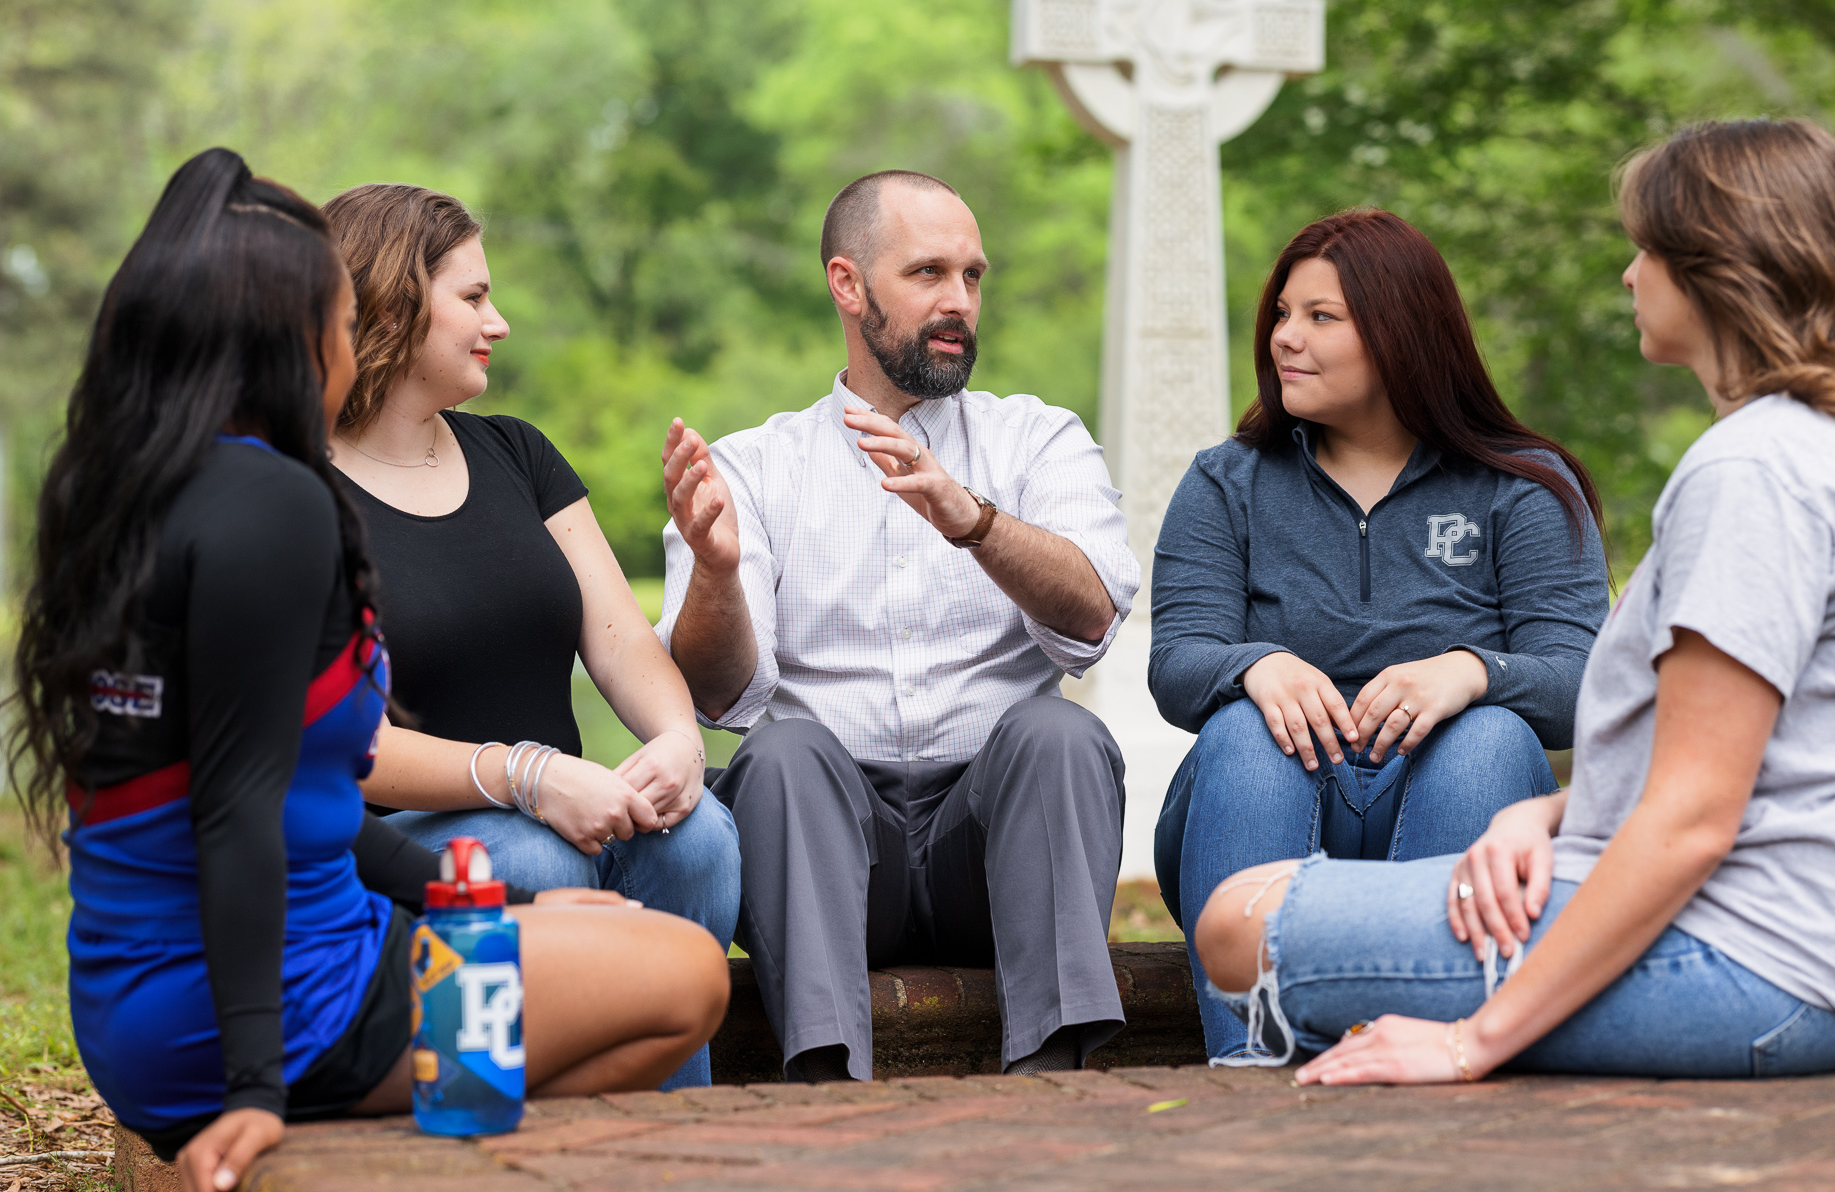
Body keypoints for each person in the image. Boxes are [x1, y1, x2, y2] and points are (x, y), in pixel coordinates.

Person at [1193, 118, 1835, 1083]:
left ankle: (1382, 1056)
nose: (1628, 274)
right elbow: (1752, 767)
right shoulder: (1804, 449)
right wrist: (1553, 816)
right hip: (1816, 954)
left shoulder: (1753, 470)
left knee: (1240, 926)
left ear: (1718, 269)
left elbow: (1696, 815)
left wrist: (1471, 1042)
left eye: (1648, 248)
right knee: (1272, 890)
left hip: (1761, 964)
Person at [7, 149, 729, 1191]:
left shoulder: (117, 493)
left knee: (590, 930)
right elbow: (240, 809)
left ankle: (449, 1138)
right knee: (685, 976)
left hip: (136, 1010)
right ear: (291, 342)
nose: (353, 347)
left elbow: (288, 787)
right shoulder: (278, 502)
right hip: (284, 1012)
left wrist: (462, 903)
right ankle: (442, 1144)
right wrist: (255, 1088)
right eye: (342, 325)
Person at [658, 169, 1140, 1081]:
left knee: (1058, 731)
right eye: (928, 274)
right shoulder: (753, 467)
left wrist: (977, 523)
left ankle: (1057, 1082)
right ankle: (828, 1088)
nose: (960, 301)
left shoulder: (1037, 440)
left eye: (973, 276)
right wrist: (716, 573)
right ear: (848, 285)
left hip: (998, 844)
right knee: (781, 752)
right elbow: (719, 694)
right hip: (833, 849)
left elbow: (1093, 618)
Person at [1149, 207, 1610, 1060]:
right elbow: (1176, 665)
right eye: (1283, 313)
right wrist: (1258, 665)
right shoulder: (1227, 482)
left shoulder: (1524, 488)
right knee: (1245, 733)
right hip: (1269, 804)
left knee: (1492, 735)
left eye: (1322, 318)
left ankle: (1433, 1044)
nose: (1287, 337)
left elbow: (1586, 684)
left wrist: (1472, 671)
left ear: (1402, 334)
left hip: (1447, 797)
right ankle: (1247, 1060)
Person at [320, 184, 742, 1088]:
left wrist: (674, 739)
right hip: (399, 846)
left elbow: (623, 642)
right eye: (472, 298)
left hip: (566, 804)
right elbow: (336, 745)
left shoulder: (518, 453)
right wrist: (527, 774)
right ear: (393, 302)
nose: (497, 322)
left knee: (698, 832)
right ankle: (492, 1115)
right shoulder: (299, 493)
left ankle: (672, 1126)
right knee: (524, 852)